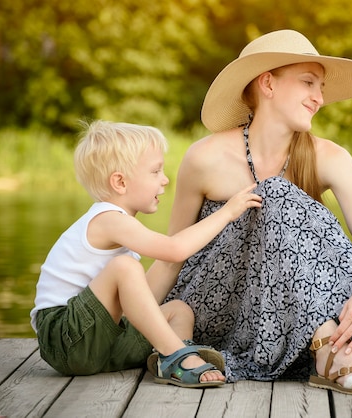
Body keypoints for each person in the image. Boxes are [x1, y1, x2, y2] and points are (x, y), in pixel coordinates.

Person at [148, 29, 352, 395]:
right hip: (219, 311)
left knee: (292, 203)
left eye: (320, 87)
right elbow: (173, 255)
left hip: (287, 314)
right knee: (274, 191)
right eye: (308, 83)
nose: (319, 98)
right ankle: (341, 349)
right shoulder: (204, 158)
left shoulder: (330, 156)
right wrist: (132, 315)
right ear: (268, 84)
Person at [29, 120, 262, 388]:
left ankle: (169, 362)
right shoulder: (107, 219)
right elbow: (174, 249)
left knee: (179, 310)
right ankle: (177, 355)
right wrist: (227, 213)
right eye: (155, 171)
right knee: (126, 267)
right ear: (120, 182)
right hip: (65, 337)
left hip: (102, 342)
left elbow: (145, 292)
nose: (165, 180)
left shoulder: (121, 225)